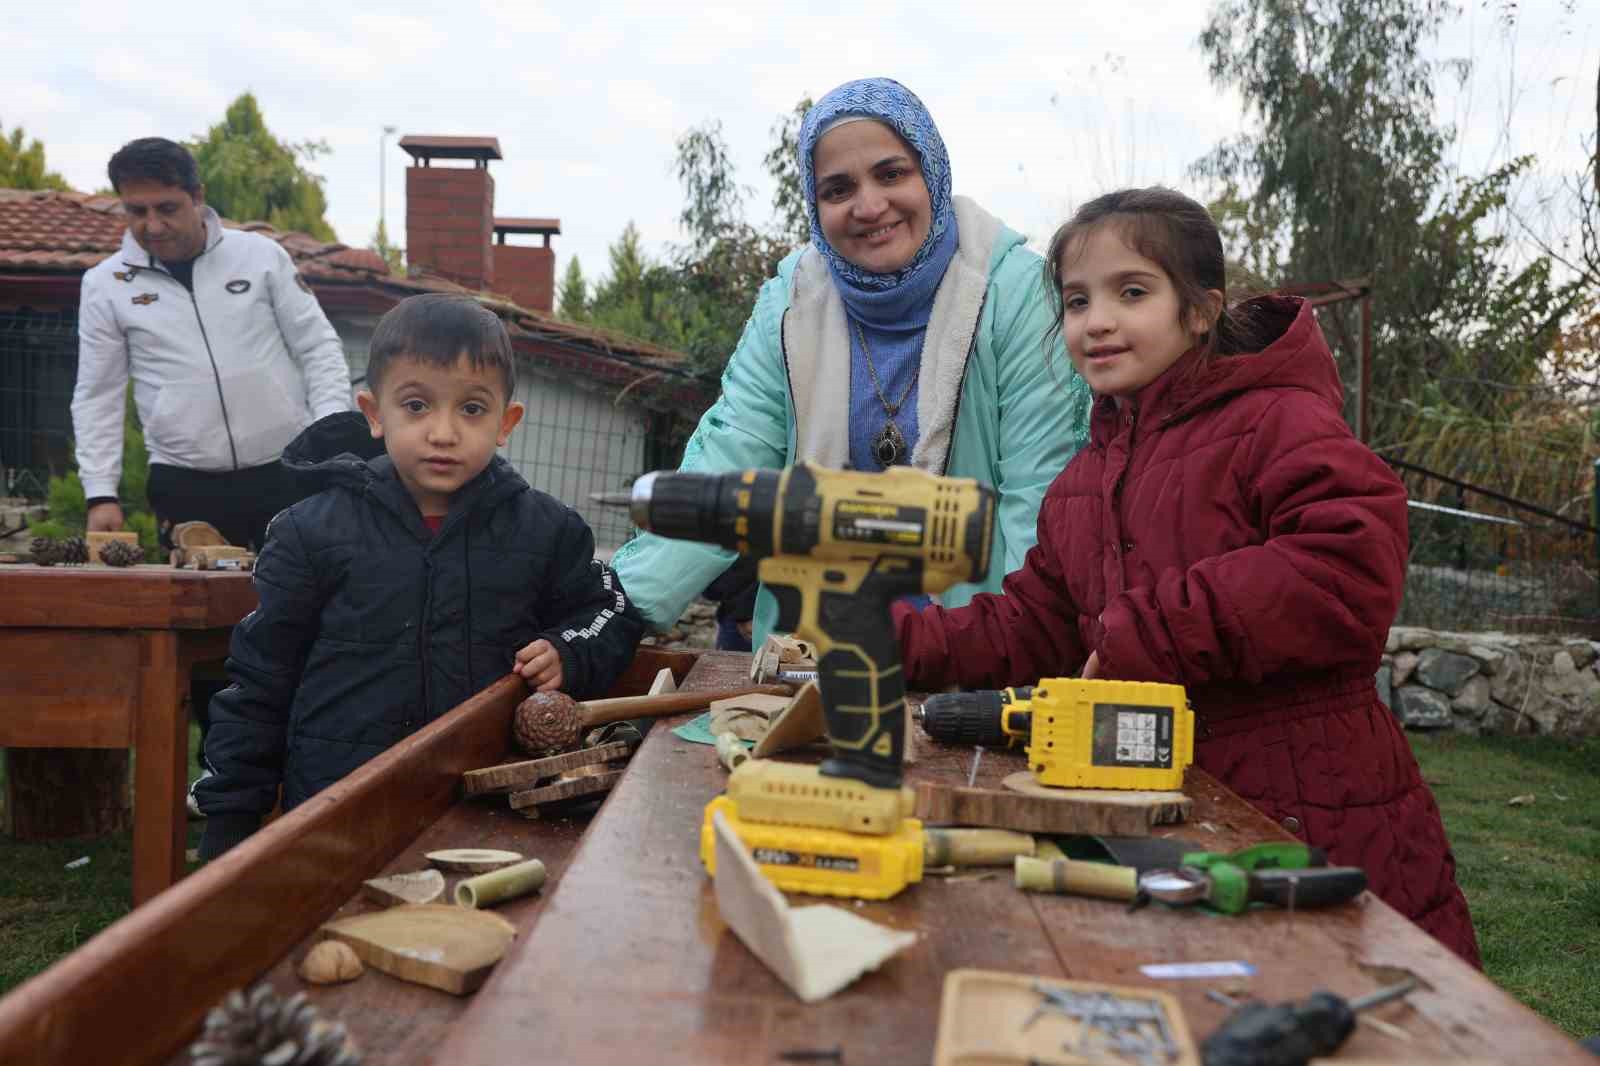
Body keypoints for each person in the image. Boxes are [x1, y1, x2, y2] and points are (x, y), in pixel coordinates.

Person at [895, 187, 1480, 966]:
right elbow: (1031, 622)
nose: (1096, 320)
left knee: (1363, 1021)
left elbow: (1345, 568)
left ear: (1200, 311)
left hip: (1307, 805)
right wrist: (895, 639)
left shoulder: (1279, 421)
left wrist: (1153, 631)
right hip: (1166, 803)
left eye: (1130, 292)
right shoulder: (1083, 479)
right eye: (1076, 300)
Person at [612, 78, 1091, 645]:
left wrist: (997, 649)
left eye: (891, 174)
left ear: (931, 172)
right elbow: (728, 460)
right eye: (838, 190)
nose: (869, 207)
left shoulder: (1016, 292)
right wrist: (621, 607)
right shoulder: (792, 303)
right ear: (815, 207)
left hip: (978, 642)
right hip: (813, 647)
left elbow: (1039, 495)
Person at [194, 294, 644, 859]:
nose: (443, 432)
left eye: (472, 410)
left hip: (491, 805)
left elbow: (612, 612)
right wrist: (233, 810)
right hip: (338, 810)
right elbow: (260, 679)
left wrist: (568, 650)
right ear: (375, 413)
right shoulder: (309, 532)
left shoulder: (548, 532)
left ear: (507, 422)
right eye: (416, 405)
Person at [73, 136, 354, 552]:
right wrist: (100, 492)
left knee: (303, 609)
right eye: (137, 211)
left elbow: (318, 347)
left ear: (198, 197)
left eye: (167, 208)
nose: (152, 225)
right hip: (183, 482)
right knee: (194, 613)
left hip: (287, 469)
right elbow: (98, 393)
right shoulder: (104, 285)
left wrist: (326, 439)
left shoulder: (261, 256)